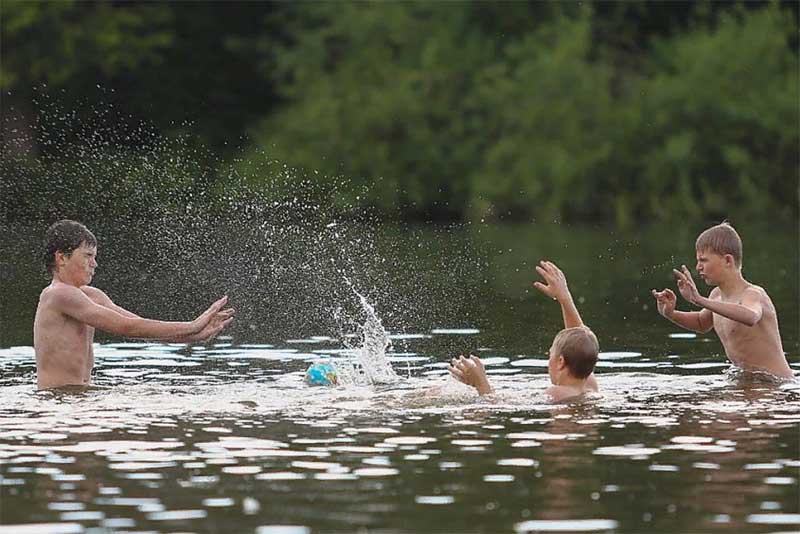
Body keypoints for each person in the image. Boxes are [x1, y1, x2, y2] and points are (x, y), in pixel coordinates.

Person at [34, 220, 235, 390]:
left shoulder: (92, 295)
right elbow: (127, 327)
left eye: (94, 257)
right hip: (57, 400)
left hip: (80, 397)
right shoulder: (58, 294)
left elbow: (137, 325)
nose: (94, 264)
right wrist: (192, 325)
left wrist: (193, 336)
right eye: (87, 256)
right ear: (61, 258)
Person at [652, 222, 793, 379]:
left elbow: (750, 316)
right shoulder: (716, 295)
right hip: (747, 382)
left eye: (703, 260)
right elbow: (701, 323)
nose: (698, 267)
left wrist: (700, 300)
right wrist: (671, 313)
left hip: (775, 385)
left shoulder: (753, 294)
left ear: (727, 260)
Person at [449, 260, 599, 402]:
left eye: (550, 354)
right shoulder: (589, 386)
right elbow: (580, 342)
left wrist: (481, 384)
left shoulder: (556, 393)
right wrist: (564, 299)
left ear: (560, 361)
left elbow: (498, 406)